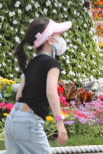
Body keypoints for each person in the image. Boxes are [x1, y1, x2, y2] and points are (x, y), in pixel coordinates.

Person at [5, 18, 71, 153]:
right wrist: (59, 123)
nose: (62, 40)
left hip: (12, 120)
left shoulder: (31, 64)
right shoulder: (52, 64)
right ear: (49, 40)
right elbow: (51, 92)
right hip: (29, 121)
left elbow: (19, 96)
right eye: (59, 35)